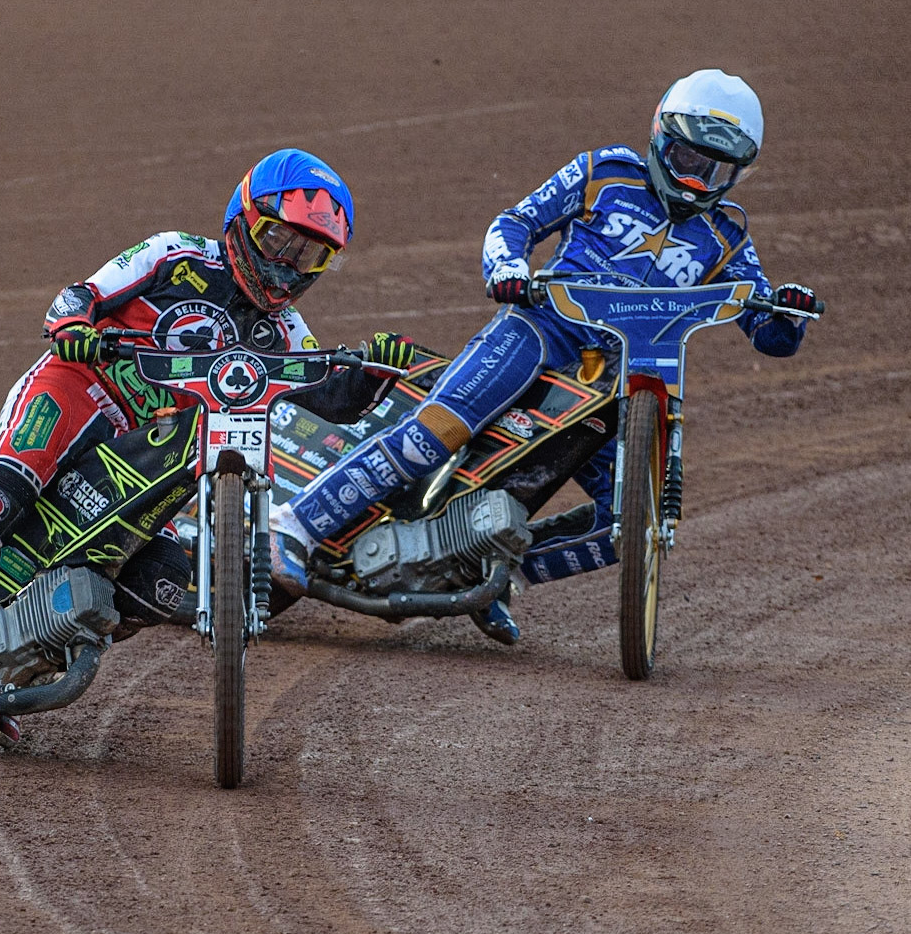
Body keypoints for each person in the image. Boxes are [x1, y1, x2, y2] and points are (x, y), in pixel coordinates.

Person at [0, 148, 416, 720]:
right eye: (279, 239)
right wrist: (74, 323)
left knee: (156, 580)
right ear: (243, 219)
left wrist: (371, 376)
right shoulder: (176, 254)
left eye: (311, 256)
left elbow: (326, 398)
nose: (288, 265)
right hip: (72, 392)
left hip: (130, 450)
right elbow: (82, 295)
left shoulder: (284, 331)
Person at [268, 69, 819, 645]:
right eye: (686, 157)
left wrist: (787, 310)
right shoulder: (605, 172)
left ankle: (485, 569)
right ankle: (297, 525)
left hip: (619, 373)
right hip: (541, 328)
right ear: (659, 136)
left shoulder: (728, 235)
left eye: (716, 170)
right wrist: (507, 271)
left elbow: (768, 331)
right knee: (435, 432)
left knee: (628, 523)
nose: (696, 180)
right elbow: (515, 223)